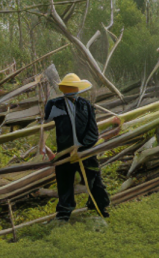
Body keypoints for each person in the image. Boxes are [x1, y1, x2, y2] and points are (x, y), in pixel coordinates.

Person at [44, 73, 110, 221]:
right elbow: (45, 121)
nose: (70, 90)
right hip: (65, 151)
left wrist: (81, 147)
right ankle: (64, 213)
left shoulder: (86, 106)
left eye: (72, 87)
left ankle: (99, 206)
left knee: (94, 178)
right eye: (67, 87)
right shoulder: (55, 105)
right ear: (64, 89)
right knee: (64, 182)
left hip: (85, 150)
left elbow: (93, 131)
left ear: (78, 88)